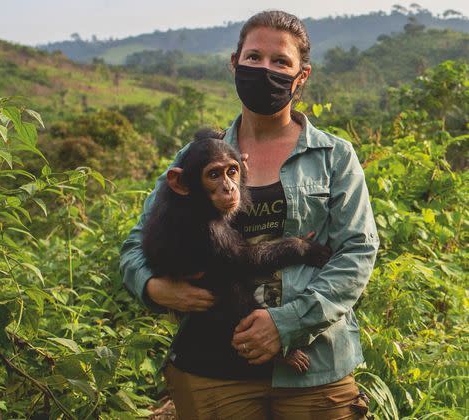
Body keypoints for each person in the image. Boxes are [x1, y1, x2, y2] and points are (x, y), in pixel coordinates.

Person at [120, 10, 378, 419]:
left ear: (302, 76)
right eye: (254, 58)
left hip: (313, 366)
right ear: (235, 63)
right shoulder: (197, 157)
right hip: (213, 370)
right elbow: (136, 244)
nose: (265, 70)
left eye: (280, 62)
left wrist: (286, 324)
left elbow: (357, 253)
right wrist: (153, 287)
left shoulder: (334, 156)